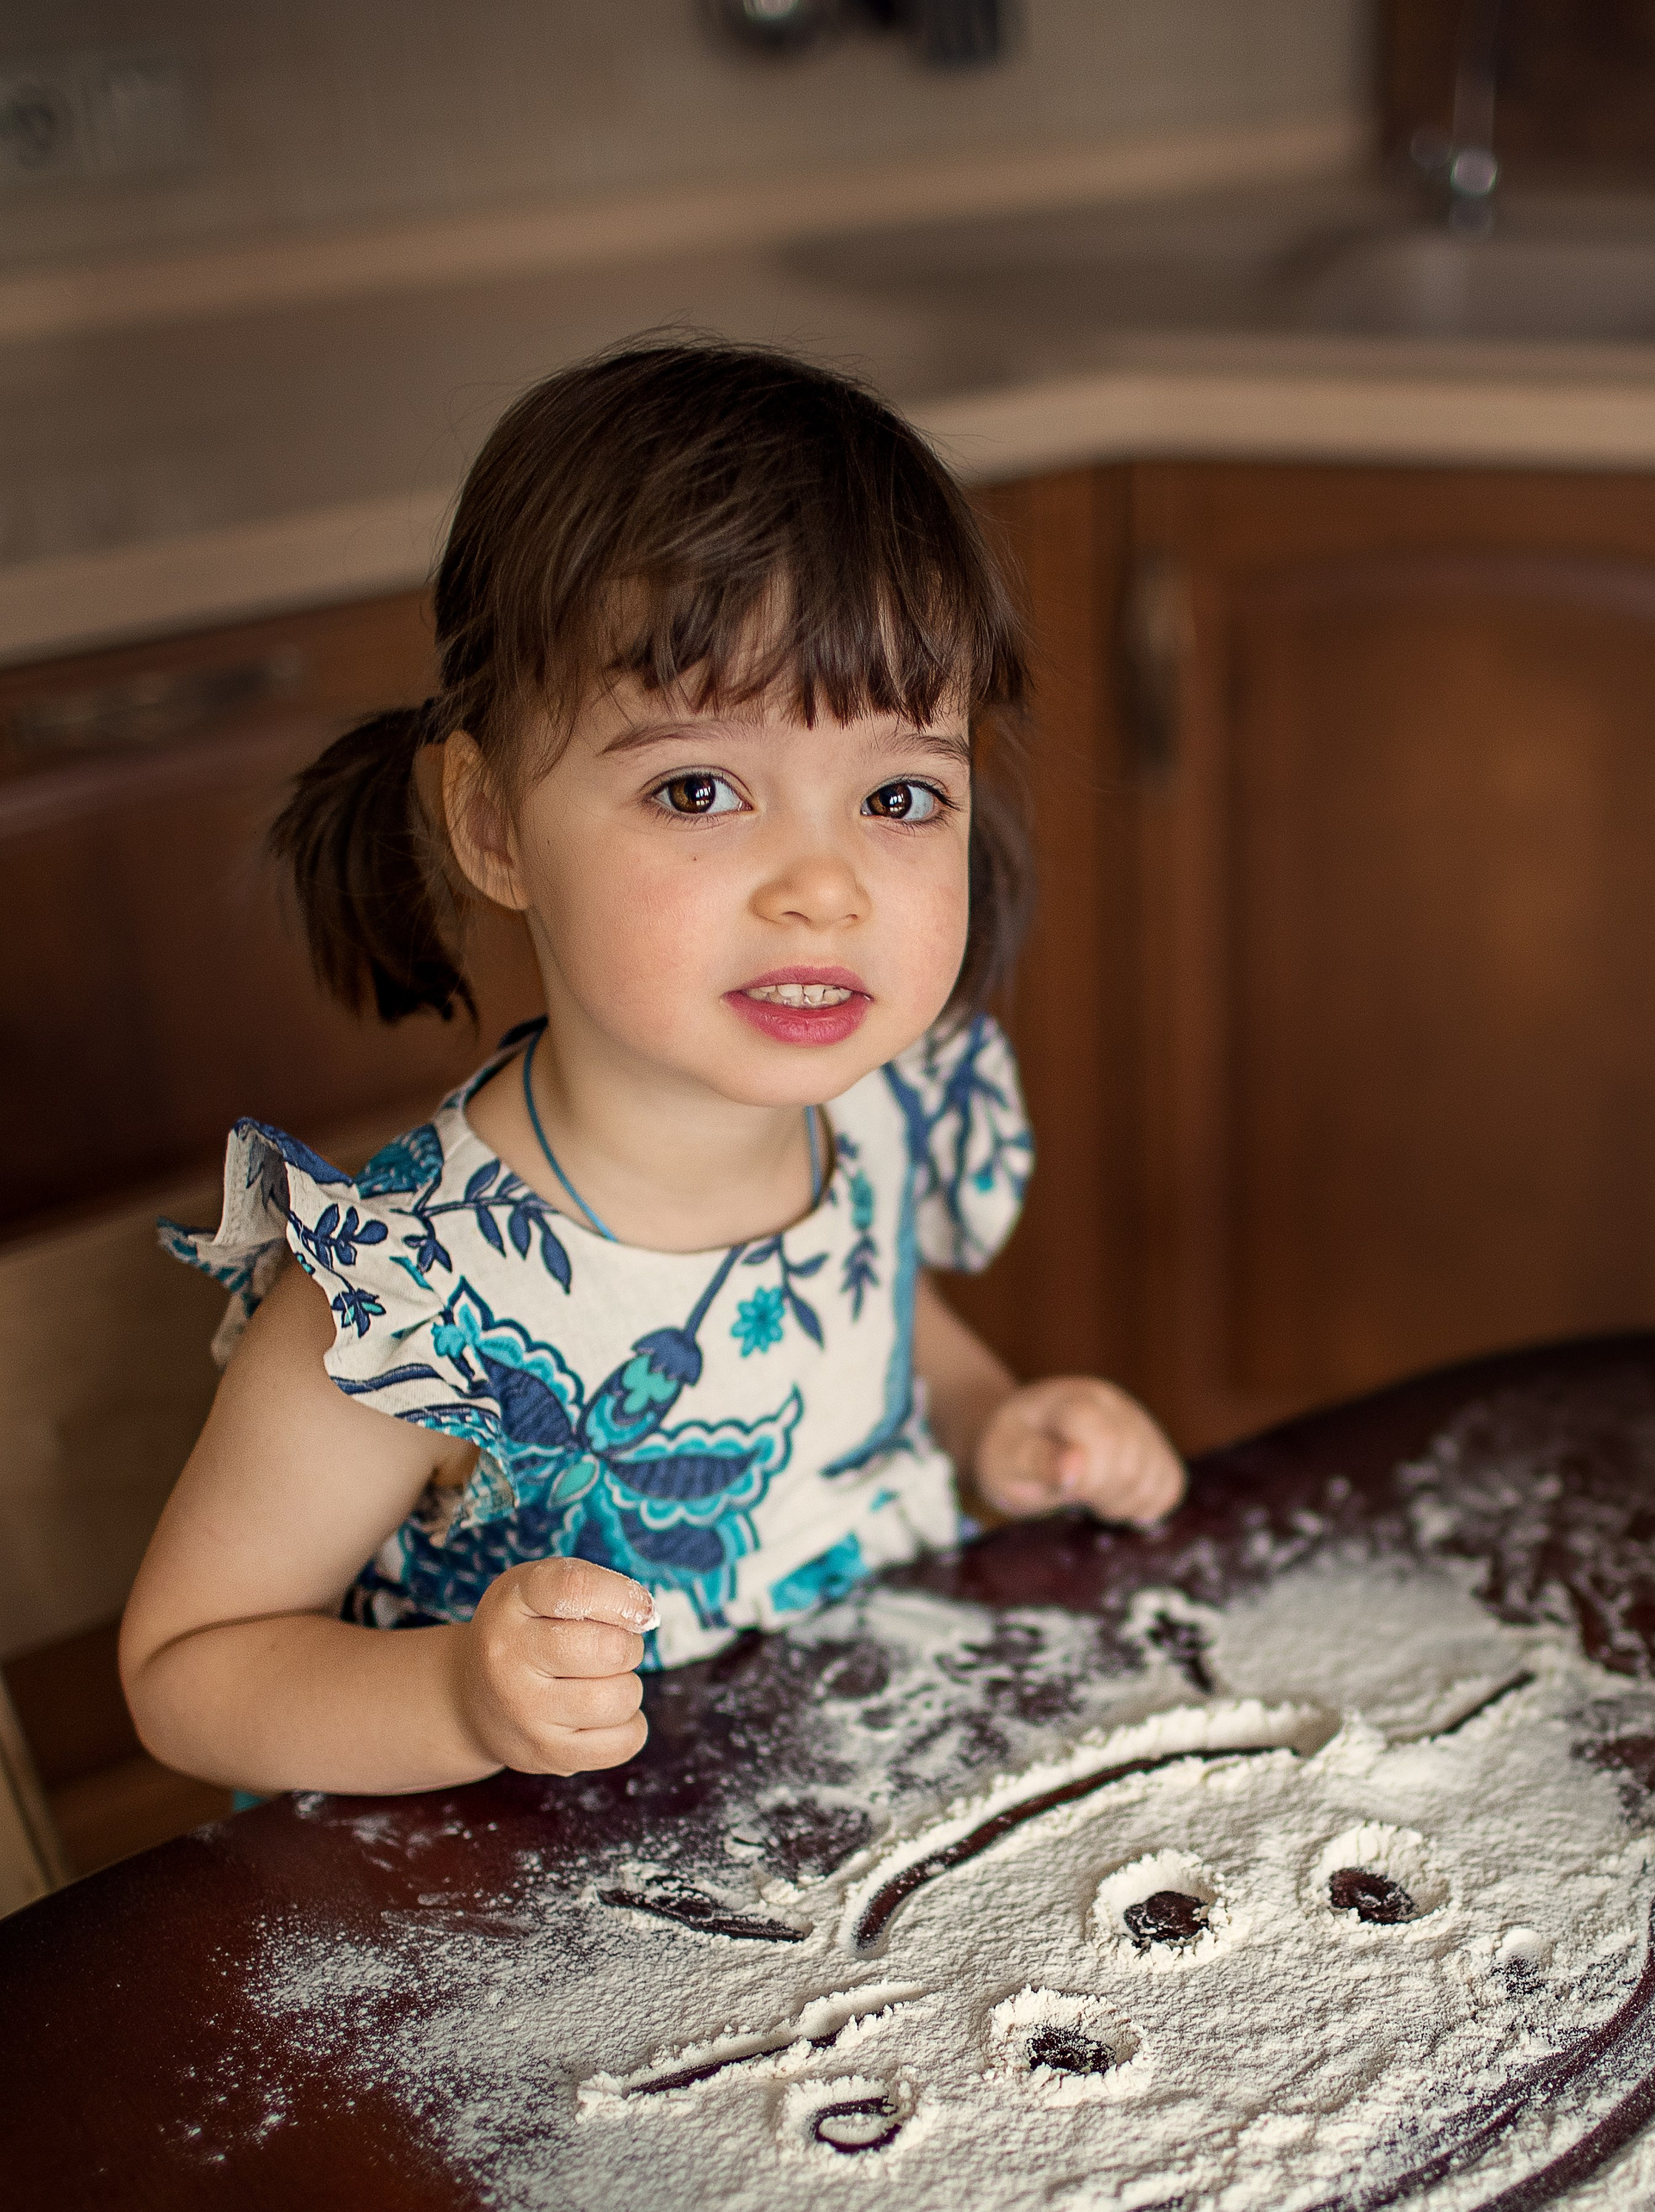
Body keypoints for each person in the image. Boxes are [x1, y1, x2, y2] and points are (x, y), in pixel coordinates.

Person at [120, 339, 1185, 1799]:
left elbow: (884, 1338)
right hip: (523, 1937)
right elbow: (189, 1667)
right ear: (493, 824)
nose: (825, 886)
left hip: (853, 1822)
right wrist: (454, 1696)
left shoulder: (865, 1111)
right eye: (698, 788)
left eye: (895, 794)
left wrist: (994, 1423)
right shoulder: (412, 1296)